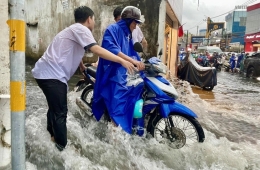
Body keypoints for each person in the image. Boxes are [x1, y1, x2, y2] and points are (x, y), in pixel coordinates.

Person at [31, 6, 135, 151]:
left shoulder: (74, 30)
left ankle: (51, 138)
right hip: (52, 76)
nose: (94, 23)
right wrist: (121, 60)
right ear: (89, 19)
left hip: (45, 73)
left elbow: (73, 49)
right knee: (61, 112)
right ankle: (62, 150)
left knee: (54, 108)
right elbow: (97, 49)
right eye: (94, 20)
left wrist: (81, 67)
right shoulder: (82, 29)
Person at [92, 6, 145, 134]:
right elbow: (113, 49)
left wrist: (140, 62)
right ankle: (115, 130)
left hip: (124, 73)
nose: (136, 26)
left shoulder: (128, 34)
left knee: (139, 85)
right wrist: (132, 61)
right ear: (128, 20)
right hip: (112, 73)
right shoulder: (112, 29)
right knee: (119, 101)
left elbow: (132, 52)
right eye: (135, 23)